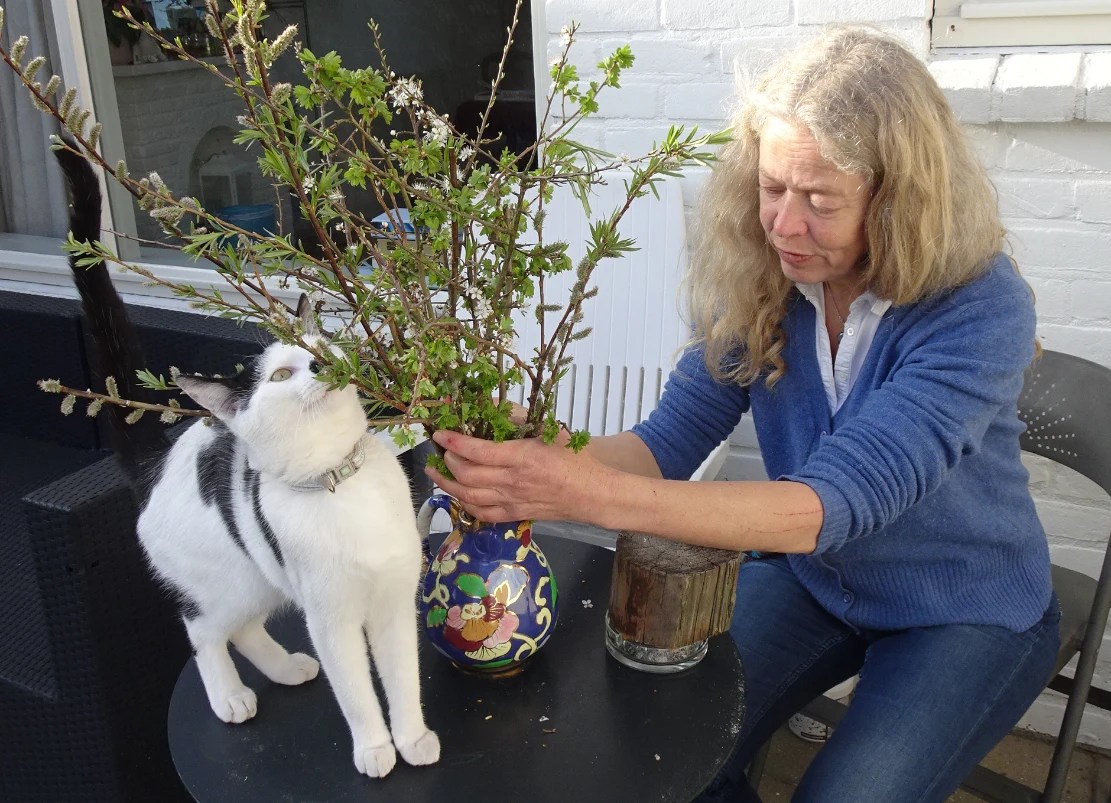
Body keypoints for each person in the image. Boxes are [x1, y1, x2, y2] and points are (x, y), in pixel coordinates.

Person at [426, 26, 1059, 803]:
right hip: (817, 580)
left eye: (819, 200)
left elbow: (831, 503)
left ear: (899, 199)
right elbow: (664, 442)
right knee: (654, 750)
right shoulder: (764, 277)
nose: (783, 224)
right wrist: (542, 456)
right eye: (771, 188)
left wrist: (578, 492)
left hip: (961, 604)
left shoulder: (978, 305)